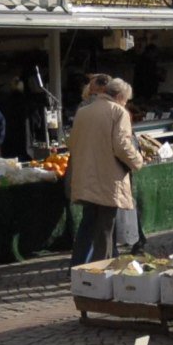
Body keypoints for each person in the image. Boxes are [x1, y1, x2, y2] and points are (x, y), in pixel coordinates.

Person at [69, 76, 146, 265]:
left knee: (88, 226)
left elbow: (72, 143)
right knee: (105, 229)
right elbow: (121, 145)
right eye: (126, 100)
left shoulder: (83, 112)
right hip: (108, 179)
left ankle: (79, 267)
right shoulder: (119, 112)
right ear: (120, 96)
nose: (126, 104)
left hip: (86, 177)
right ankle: (99, 273)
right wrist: (138, 160)